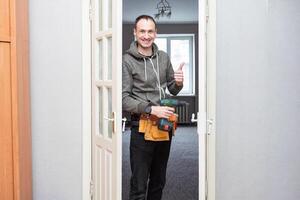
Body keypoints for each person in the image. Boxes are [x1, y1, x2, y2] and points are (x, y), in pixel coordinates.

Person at [122, 15, 184, 200]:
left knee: (158, 181)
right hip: (141, 127)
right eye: (142, 31)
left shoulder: (163, 57)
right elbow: (123, 99)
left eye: (150, 31)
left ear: (156, 33)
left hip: (163, 125)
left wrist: (179, 82)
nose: (146, 36)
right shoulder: (126, 60)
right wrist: (151, 109)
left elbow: (172, 89)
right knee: (139, 185)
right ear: (135, 32)